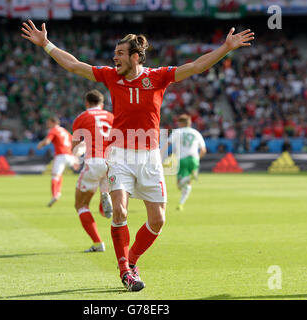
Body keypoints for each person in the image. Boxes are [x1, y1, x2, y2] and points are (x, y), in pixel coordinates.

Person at [21, 20, 254, 291]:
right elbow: (74, 65)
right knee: (120, 210)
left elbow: (195, 67)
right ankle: (124, 271)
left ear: (134, 56)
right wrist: (46, 44)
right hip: (119, 151)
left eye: (119, 54)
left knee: (158, 220)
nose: (114, 58)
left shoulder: (158, 76)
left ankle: (131, 261)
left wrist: (226, 48)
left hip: (150, 155)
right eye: (115, 54)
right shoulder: (110, 76)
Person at [72, 89, 114, 253]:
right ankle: (105, 194)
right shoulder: (111, 116)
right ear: (102, 104)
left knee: (81, 205)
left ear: (87, 103)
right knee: (104, 189)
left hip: (94, 162)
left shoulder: (82, 117)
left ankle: (98, 243)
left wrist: (78, 154)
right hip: (112, 163)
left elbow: (75, 147)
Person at [161, 114, 207, 211]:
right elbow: (203, 150)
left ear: (181, 123)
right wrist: (198, 159)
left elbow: (167, 144)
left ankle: (185, 179)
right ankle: (181, 204)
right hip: (194, 159)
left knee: (179, 185)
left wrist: (160, 155)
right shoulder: (196, 133)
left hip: (182, 159)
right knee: (188, 184)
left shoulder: (177, 132)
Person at [37, 116, 77, 207]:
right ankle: (58, 192)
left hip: (61, 155)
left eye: (48, 122)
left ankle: (55, 194)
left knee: (54, 176)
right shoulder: (64, 130)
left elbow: (47, 141)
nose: (47, 124)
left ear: (53, 122)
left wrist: (40, 145)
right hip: (70, 156)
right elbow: (73, 141)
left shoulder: (53, 130)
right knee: (59, 174)